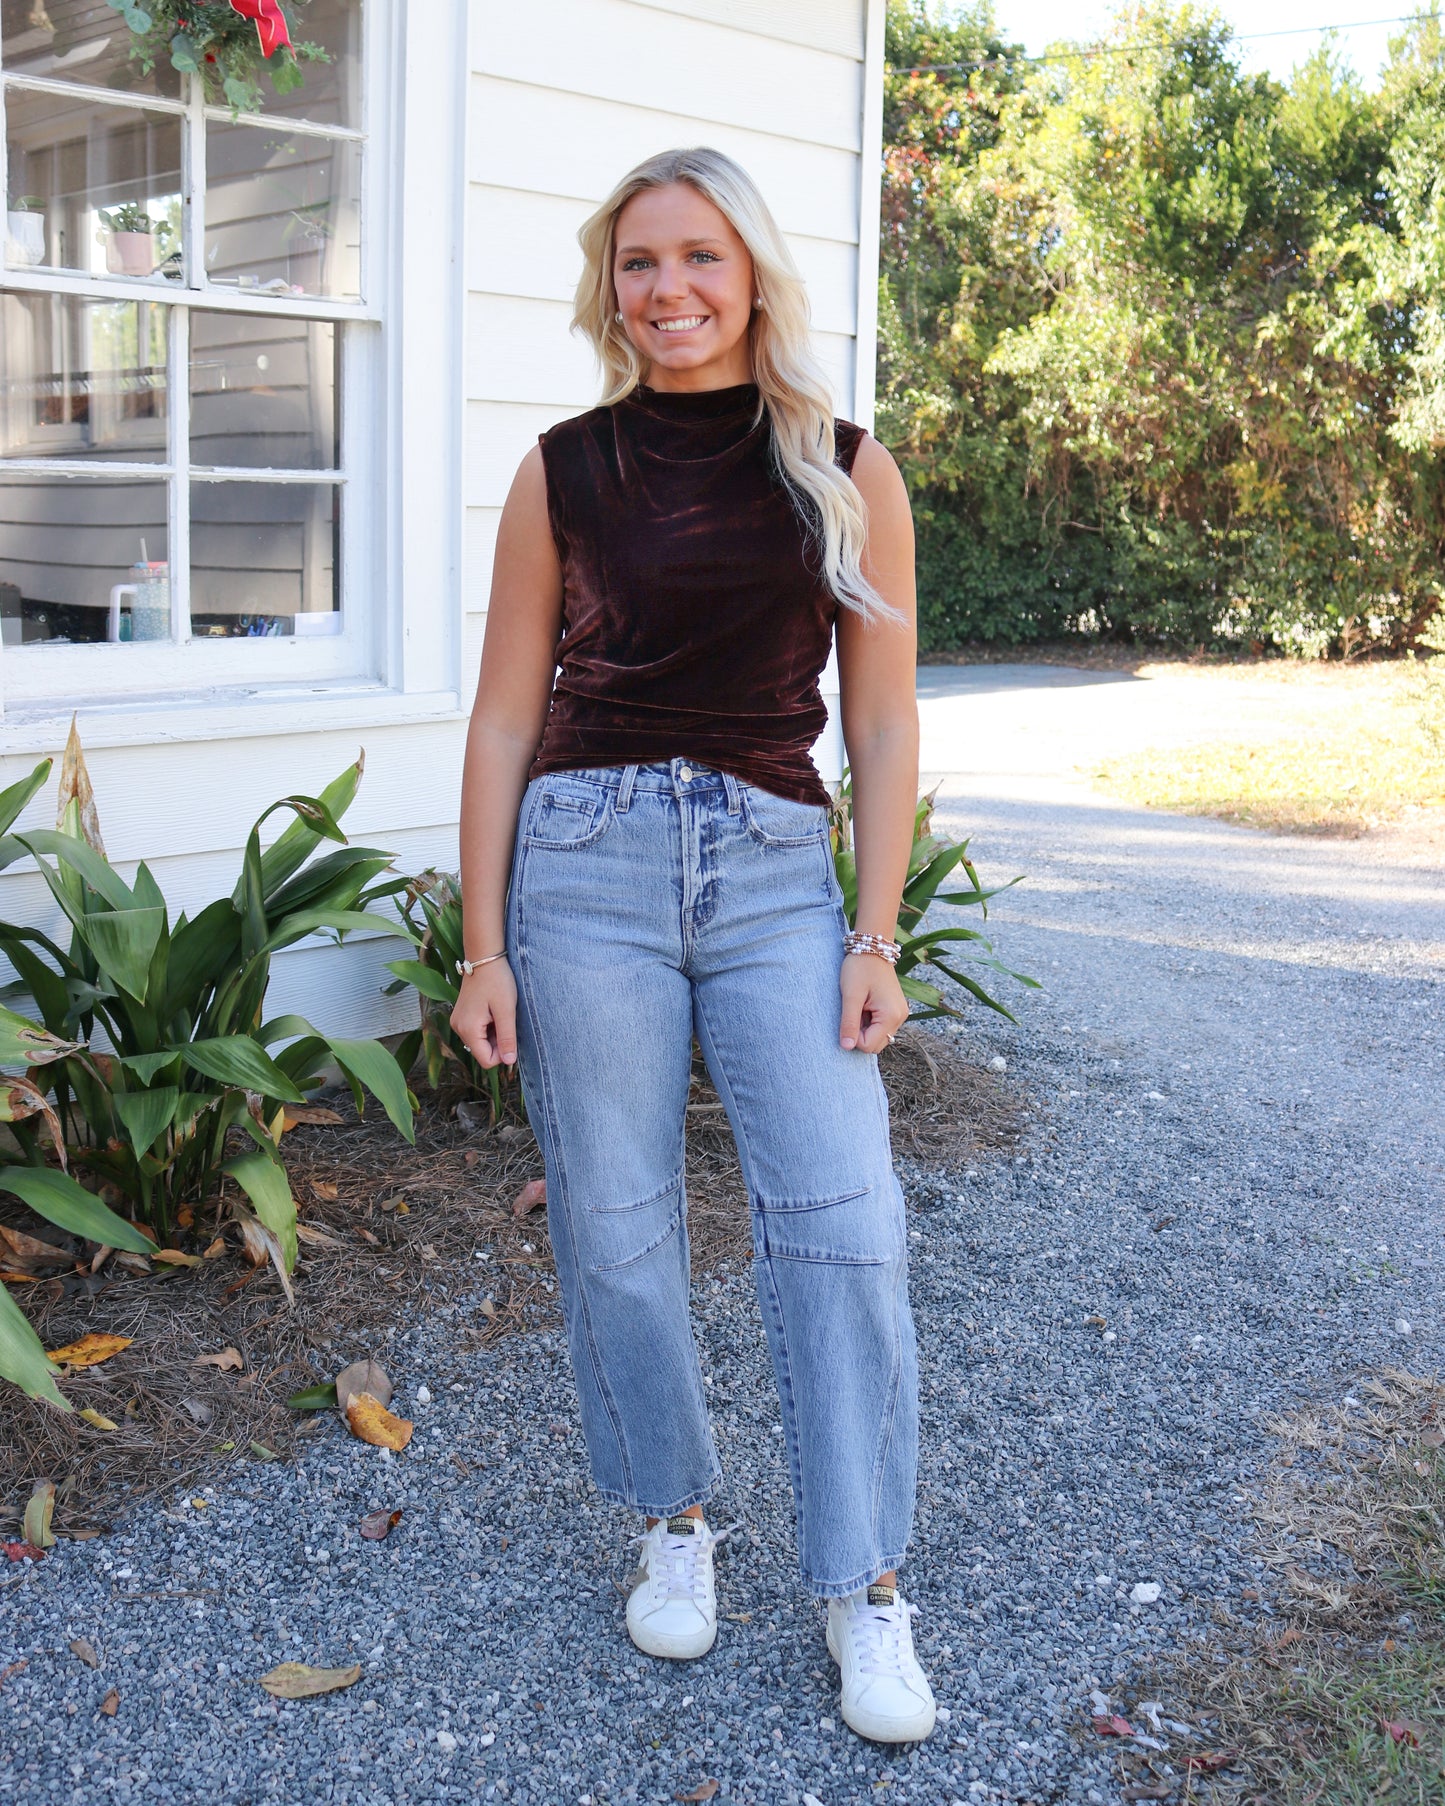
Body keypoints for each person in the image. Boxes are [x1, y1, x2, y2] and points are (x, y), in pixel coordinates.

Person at [451, 146, 934, 1745]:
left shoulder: (842, 465)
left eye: (699, 257)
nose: (668, 289)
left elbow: (877, 717)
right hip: (581, 869)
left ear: (752, 274)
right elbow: (507, 712)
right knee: (616, 1220)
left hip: (775, 873)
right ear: (612, 286)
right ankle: (672, 1514)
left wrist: (875, 927)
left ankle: (862, 1580)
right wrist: (481, 944)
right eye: (639, 262)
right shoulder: (561, 470)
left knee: (841, 1212)